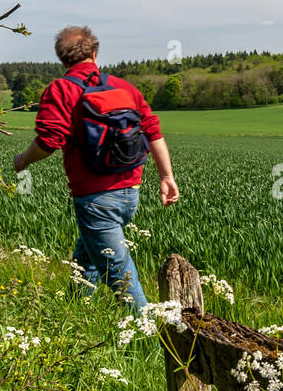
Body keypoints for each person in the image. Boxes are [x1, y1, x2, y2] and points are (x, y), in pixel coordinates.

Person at [11, 26, 178, 311]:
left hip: (95, 198)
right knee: (86, 256)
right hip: (130, 194)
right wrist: (166, 177)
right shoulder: (124, 87)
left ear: (62, 60)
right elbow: (153, 131)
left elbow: (49, 141)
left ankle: (147, 333)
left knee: (120, 275)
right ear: (95, 53)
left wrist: (23, 160)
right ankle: (75, 311)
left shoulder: (61, 89)